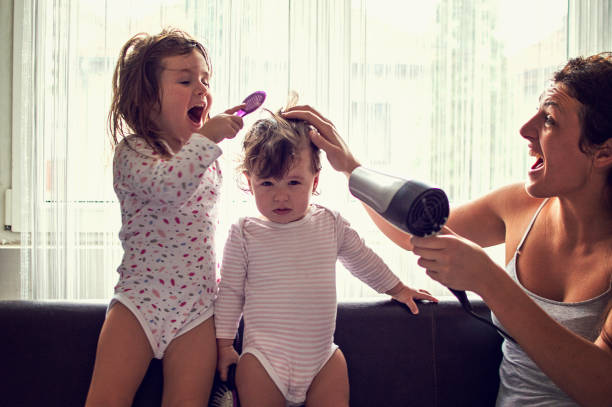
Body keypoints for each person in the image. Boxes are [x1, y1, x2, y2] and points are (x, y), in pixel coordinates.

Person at [281, 52, 612, 407]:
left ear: (604, 152)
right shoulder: (519, 205)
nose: (525, 129)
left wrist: (491, 282)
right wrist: (351, 168)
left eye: (549, 118)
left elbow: (603, 389)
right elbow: (415, 233)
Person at [214, 110, 437, 406]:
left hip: (321, 360)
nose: (280, 196)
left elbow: (362, 259)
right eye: (267, 184)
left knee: (336, 366)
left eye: (293, 183)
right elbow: (229, 292)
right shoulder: (244, 232)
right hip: (263, 361)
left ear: (315, 181)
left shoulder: (329, 223)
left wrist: (397, 288)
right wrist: (225, 345)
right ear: (249, 181)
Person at [85, 28, 245, 407]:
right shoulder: (133, 153)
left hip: (196, 309)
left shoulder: (208, 164)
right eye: (186, 80)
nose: (202, 90)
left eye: (206, 80)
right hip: (139, 303)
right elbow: (167, 188)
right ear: (146, 100)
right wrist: (206, 139)